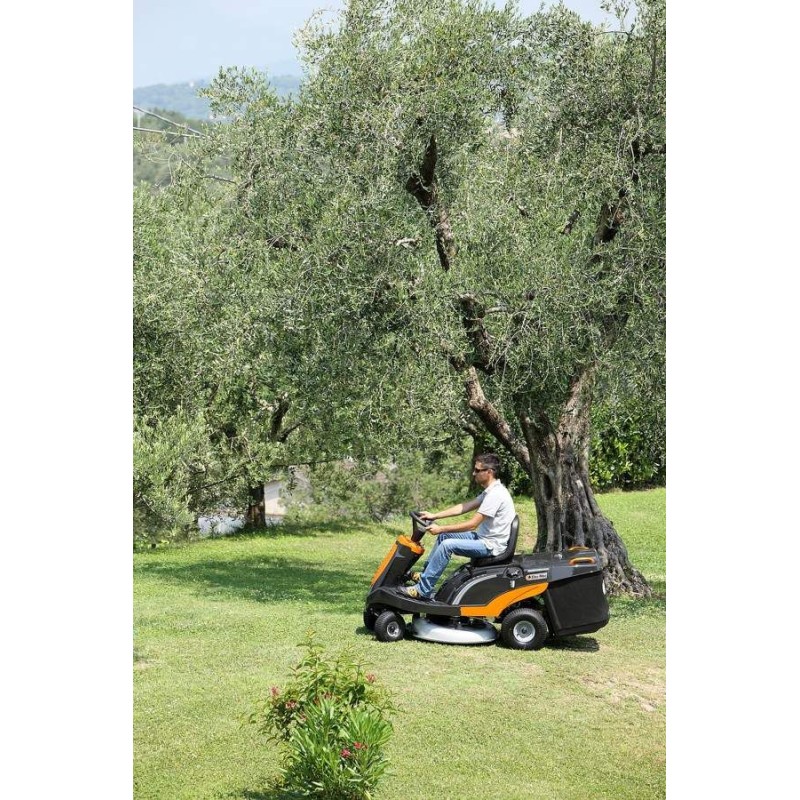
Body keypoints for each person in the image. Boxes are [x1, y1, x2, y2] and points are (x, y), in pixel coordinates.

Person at [400, 453, 516, 600]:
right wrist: (435, 515)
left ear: (489, 472)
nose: (473, 473)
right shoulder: (490, 491)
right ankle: (425, 577)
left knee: (447, 545)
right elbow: (464, 507)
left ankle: (422, 590)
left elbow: (472, 525)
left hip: (490, 545)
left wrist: (440, 528)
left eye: (477, 470)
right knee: (444, 537)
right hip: (483, 538)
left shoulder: (496, 495)